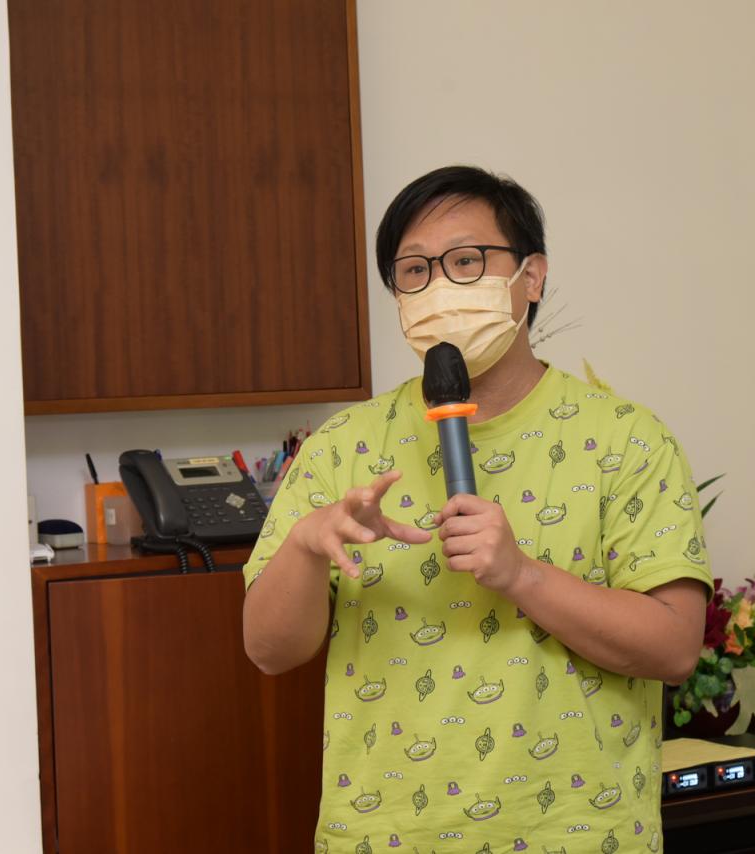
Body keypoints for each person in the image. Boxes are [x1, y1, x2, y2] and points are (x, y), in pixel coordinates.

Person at [242, 165, 711, 853]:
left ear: (532, 276)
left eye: (466, 261)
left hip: (577, 834)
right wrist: (308, 547)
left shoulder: (627, 440)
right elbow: (268, 651)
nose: (440, 287)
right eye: (414, 270)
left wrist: (523, 575)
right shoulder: (342, 447)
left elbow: (675, 648)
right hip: (383, 836)